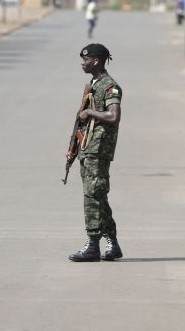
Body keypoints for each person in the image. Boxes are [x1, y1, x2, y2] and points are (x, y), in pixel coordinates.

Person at [66, 43, 123, 262]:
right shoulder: (94, 84)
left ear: (96, 61)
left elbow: (113, 116)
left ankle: (92, 246)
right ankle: (112, 243)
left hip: (98, 149)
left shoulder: (110, 86)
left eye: (86, 59)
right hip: (88, 148)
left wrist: (90, 111)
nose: (83, 63)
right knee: (98, 195)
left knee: (92, 196)